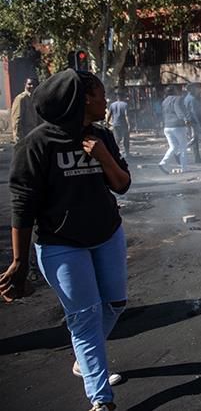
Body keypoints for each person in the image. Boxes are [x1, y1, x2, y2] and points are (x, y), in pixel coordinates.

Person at [1, 69, 131, 411]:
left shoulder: (102, 137)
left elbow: (122, 185)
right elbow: (22, 205)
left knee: (115, 303)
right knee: (85, 316)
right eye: (101, 95)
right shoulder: (36, 145)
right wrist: (19, 261)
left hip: (107, 235)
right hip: (61, 244)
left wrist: (102, 156)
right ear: (83, 100)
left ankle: (84, 357)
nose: (106, 101)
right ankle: (100, 399)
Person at [158, 86, 190, 174]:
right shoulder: (178, 99)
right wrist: (185, 119)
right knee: (183, 147)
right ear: (174, 91)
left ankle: (163, 163)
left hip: (167, 126)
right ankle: (184, 168)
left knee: (173, 147)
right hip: (178, 126)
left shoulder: (164, 101)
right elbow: (178, 109)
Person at [10, 77, 41, 143]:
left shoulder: (36, 98)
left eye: (34, 84)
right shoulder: (21, 99)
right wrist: (18, 138)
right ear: (25, 85)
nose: (32, 86)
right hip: (25, 136)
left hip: (35, 135)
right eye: (29, 84)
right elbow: (17, 120)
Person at [183, 84, 201, 163]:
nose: (199, 90)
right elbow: (194, 113)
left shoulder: (187, 98)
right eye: (198, 88)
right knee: (193, 139)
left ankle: (197, 157)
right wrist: (199, 124)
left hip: (189, 122)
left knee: (195, 140)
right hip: (192, 122)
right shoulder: (192, 99)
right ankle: (179, 151)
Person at [107, 91, 130, 158]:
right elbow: (126, 115)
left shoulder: (112, 105)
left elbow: (109, 114)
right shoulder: (125, 104)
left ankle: (115, 153)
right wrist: (129, 124)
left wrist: (107, 122)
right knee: (125, 139)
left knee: (117, 140)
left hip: (115, 124)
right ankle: (127, 153)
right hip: (123, 124)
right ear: (122, 97)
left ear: (117, 97)